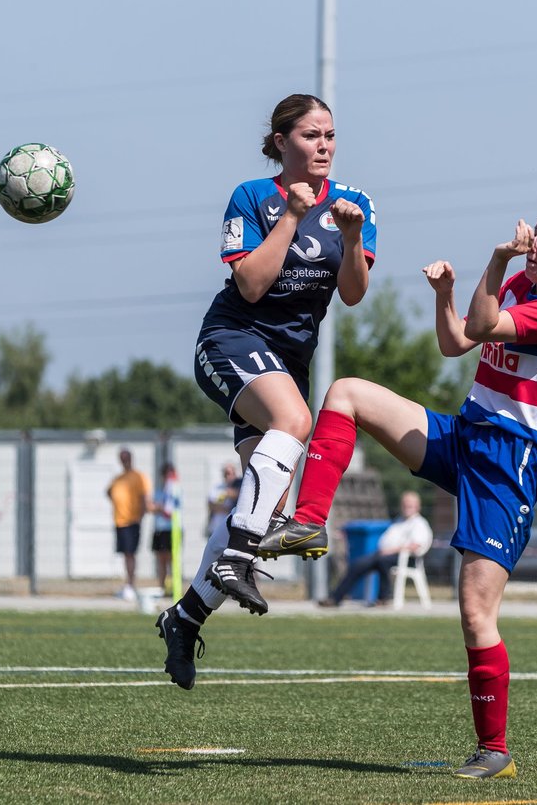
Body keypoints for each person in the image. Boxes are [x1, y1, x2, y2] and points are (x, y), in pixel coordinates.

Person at [265, 199, 537, 779]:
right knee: (347, 392)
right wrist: (443, 296)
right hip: (466, 433)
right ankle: (308, 520)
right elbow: (456, 341)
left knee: (476, 613)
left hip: (509, 460)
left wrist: (497, 261)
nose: (531, 241)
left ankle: (494, 750)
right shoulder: (527, 280)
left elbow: (482, 326)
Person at [156, 92, 377, 690]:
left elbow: (353, 294)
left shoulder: (356, 203)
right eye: (310, 135)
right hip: (231, 336)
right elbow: (250, 285)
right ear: (281, 142)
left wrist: (352, 238)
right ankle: (234, 559)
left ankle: (185, 617)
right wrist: (291, 218)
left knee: (265, 508)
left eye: (330, 135)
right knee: (294, 421)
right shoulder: (253, 197)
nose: (324, 146)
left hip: (287, 360)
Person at [318, 490, 432, 607]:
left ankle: (384, 598)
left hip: (407, 558)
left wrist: (391, 550)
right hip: (384, 555)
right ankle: (335, 598)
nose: (406, 507)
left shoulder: (419, 523)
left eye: (410, 505)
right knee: (358, 564)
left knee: (382, 561)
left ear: (417, 506)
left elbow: (416, 545)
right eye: (405, 504)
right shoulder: (398, 521)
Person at [106, 448, 151, 602]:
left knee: (130, 554)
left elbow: (145, 496)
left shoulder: (138, 477)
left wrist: (140, 515)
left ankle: (130, 585)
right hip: (120, 520)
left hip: (132, 520)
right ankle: (127, 584)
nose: (124, 462)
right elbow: (109, 491)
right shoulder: (118, 478)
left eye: (126, 458)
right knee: (125, 554)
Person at [150, 462, 182, 595]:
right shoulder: (158, 492)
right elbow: (151, 507)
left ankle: (174, 586)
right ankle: (162, 586)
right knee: (160, 559)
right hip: (160, 528)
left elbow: (167, 509)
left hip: (172, 528)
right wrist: (157, 507)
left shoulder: (175, 490)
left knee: (172, 559)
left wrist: (158, 507)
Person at [205, 462, 240, 539]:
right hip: (215, 528)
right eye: (227, 473)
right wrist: (227, 509)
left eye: (232, 473)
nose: (229, 476)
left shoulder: (240, 487)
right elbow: (211, 505)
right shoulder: (218, 488)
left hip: (230, 530)